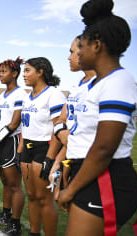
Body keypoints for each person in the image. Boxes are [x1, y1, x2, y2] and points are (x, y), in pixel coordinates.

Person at [57, 0, 137, 235]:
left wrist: (71, 189)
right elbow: (83, 136)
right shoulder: (96, 85)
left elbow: (104, 148)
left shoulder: (119, 81)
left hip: (105, 178)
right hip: (89, 173)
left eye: (81, 45)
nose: (77, 53)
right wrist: (68, 166)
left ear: (96, 45)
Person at [19, 57, 66, 236]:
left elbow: (59, 128)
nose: (24, 75)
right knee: (31, 195)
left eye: (28, 70)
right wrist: (20, 151)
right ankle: (34, 233)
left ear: (41, 72)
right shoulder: (27, 96)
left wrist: (50, 158)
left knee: (44, 199)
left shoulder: (53, 94)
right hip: (27, 149)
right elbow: (26, 126)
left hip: (44, 149)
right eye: (24, 71)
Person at [46, 35, 96, 188]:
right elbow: (62, 121)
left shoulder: (102, 85)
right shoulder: (77, 87)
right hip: (73, 156)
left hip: (92, 164)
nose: (69, 57)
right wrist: (58, 162)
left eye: (72, 52)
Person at [0, 58, 26, 236]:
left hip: (10, 142)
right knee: (5, 182)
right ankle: (6, 215)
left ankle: (16, 226)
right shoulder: (1, 96)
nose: (0, 75)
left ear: (14, 73)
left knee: (14, 185)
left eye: (4, 72)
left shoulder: (20, 94)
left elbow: (15, 123)